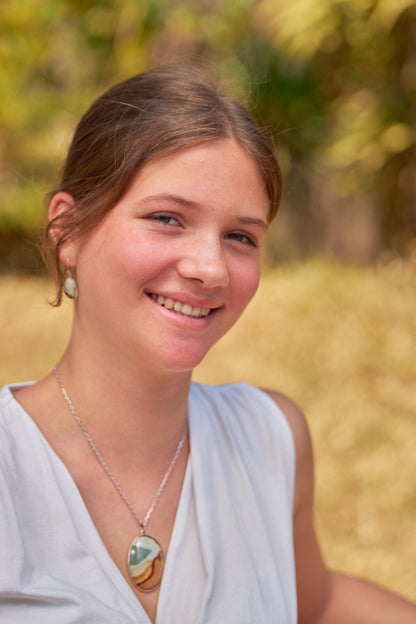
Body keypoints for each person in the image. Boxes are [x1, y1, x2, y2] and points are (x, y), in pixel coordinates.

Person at [0, 64, 414, 624]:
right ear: (69, 231)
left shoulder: (270, 438)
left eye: (240, 236)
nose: (210, 269)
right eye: (168, 218)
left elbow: (316, 605)